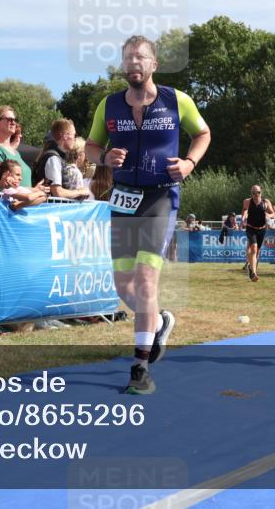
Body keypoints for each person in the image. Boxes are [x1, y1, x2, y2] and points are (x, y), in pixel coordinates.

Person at [85, 35, 210, 395]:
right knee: (123, 286)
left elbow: (202, 133)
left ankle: (140, 367)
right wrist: (103, 158)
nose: (134, 63)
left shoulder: (176, 100)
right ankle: (158, 322)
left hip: (159, 197)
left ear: (154, 64)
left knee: (144, 281)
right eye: (128, 58)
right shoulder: (108, 106)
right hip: (123, 198)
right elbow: (92, 146)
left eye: (140, 57)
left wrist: (189, 162)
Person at [34, 118, 90, 199]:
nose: (75, 139)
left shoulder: (57, 157)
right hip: (48, 209)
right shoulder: (53, 158)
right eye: (74, 135)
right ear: (65, 136)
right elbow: (57, 192)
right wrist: (80, 192)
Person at [0, 105, 33, 184]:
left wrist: (36, 189)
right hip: (16, 196)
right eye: (9, 119)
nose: (13, 123)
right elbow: (3, 185)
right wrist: (31, 192)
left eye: (14, 120)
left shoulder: (16, 153)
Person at [241, 185, 274, 282]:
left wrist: (269, 215)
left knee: (257, 251)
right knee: (254, 248)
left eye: (258, 192)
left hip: (262, 229)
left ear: (261, 192)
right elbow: (244, 210)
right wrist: (244, 216)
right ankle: (254, 273)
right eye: (253, 193)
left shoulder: (266, 202)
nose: (256, 194)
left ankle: (251, 268)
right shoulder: (247, 201)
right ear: (251, 193)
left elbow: (273, 213)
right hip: (251, 228)